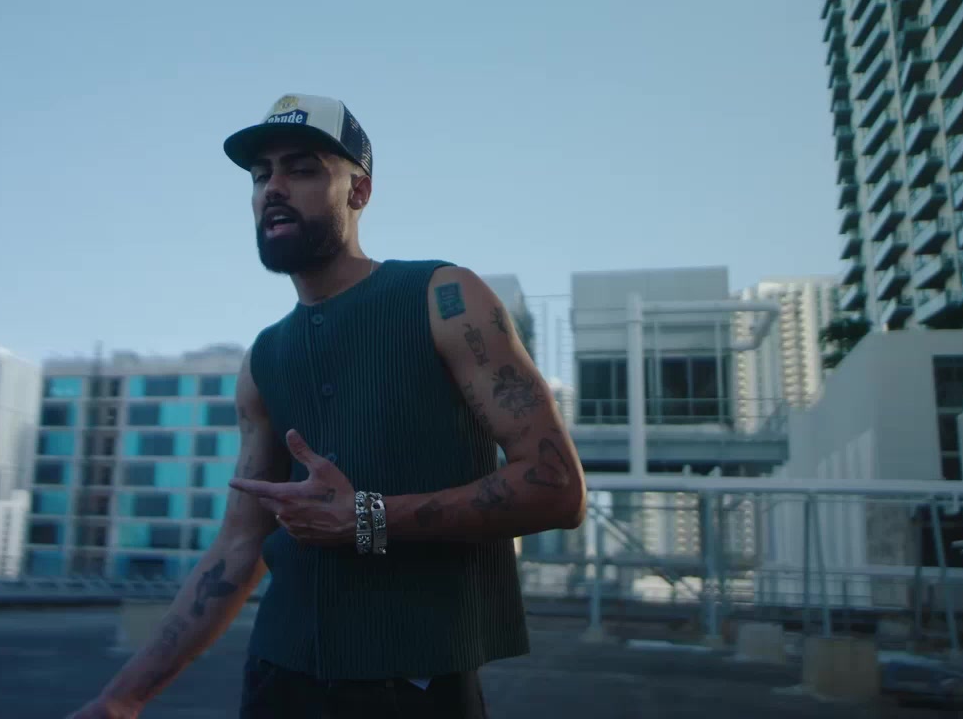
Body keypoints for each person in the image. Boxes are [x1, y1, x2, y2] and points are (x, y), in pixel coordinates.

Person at [67, 93, 587, 719]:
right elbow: (238, 545)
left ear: (358, 191)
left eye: (303, 169)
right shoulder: (262, 360)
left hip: (414, 690)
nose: (274, 188)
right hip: (275, 682)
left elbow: (556, 487)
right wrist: (122, 698)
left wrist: (368, 517)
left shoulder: (446, 298)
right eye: (261, 175)